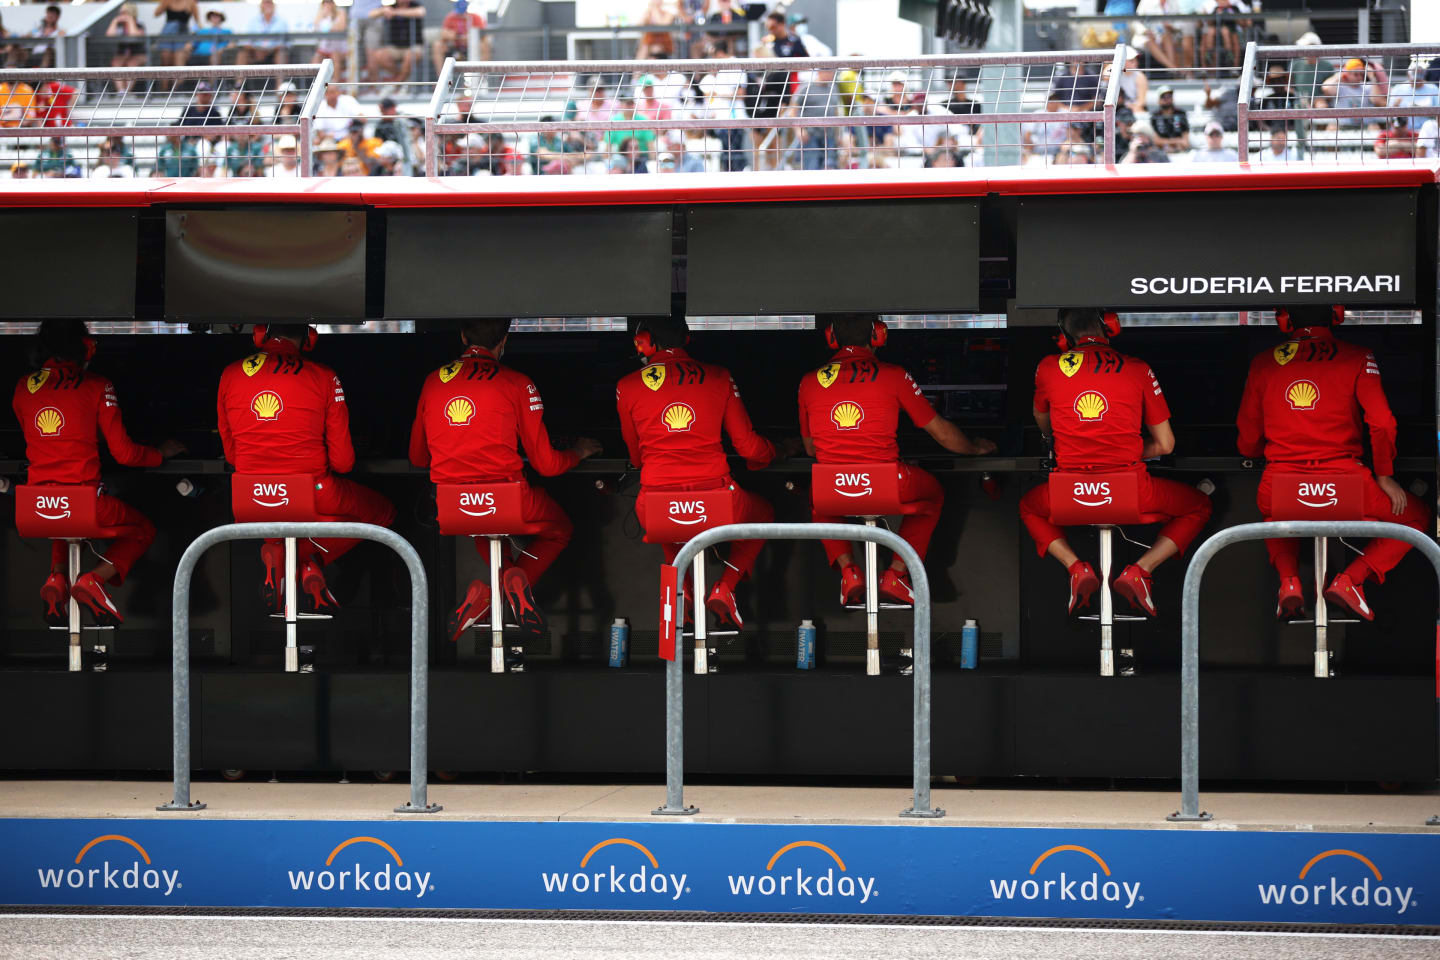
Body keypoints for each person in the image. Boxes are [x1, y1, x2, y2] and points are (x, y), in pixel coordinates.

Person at [410, 319, 601, 641]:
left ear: (462, 335)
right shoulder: (517, 382)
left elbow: (418, 458)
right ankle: (499, 593)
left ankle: (491, 596)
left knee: (480, 521)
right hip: (509, 500)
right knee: (559, 530)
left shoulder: (433, 381)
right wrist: (578, 452)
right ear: (504, 342)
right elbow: (548, 464)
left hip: (453, 505)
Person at [1236, 305, 1430, 621]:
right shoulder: (1358, 356)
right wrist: (1384, 474)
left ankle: (1288, 582)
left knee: (1275, 514)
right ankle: (1351, 580)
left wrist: (1261, 450)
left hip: (1281, 484)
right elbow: (1382, 423)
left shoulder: (1263, 362)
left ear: (1283, 319)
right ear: (1337, 316)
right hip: (1347, 485)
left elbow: (1247, 440)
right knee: (1416, 517)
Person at [1020, 309, 1211, 616]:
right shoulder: (1138, 368)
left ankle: (1077, 569)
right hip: (1131, 494)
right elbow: (1166, 443)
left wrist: (1055, 442)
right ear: (1111, 328)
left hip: (1070, 495)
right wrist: (1127, 451)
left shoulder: (1048, 367)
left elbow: (1041, 417)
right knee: (1198, 506)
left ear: (1064, 338)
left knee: (1029, 507)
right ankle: (1141, 570)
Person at [799, 314, 995, 606]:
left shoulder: (808, 381)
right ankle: (896, 576)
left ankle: (849, 572)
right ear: (878, 335)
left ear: (831, 337)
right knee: (934, 496)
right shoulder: (894, 375)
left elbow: (812, 449)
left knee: (820, 500)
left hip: (835, 488)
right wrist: (974, 448)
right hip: (887, 486)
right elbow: (941, 434)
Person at [12, 320, 184, 627]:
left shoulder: (23, 386)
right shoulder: (97, 385)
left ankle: (57, 577)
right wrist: (161, 454)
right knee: (143, 530)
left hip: (33, 507)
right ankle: (93, 579)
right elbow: (126, 454)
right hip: (86, 505)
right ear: (85, 347)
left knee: (59, 513)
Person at [217, 324, 397, 613]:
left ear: (259, 333)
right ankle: (308, 561)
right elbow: (343, 462)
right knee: (384, 512)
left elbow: (232, 454)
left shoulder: (230, 373)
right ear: (309, 337)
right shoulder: (325, 376)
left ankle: (283, 557)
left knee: (276, 527)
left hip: (252, 496)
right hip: (315, 493)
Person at [616, 316, 779, 630]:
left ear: (645, 342)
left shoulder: (627, 385)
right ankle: (725, 587)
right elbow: (749, 448)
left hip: (656, 507)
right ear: (687, 340)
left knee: (665, 521)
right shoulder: (719, 376)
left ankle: (683, 592)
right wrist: (777, 452)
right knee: (765, 513)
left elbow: (635, 456)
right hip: (718, 504)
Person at [433, 0, 489, 69]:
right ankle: (442, 77)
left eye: (462, 12)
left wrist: (469, 38)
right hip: (455, 46)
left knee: (484, 45)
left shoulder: (475, 17)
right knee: (437, 45)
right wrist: (454, 36)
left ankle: (481, 75)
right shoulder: (451, 17)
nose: (460, 15)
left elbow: (483, 34)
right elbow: (443, 33)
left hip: (471, 47)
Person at [105, 4, 146, 87]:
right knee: (116, 63)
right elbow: (109, 34)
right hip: (122, 54)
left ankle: (127, 92)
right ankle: (121, 92)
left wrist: (130, 21)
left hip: (138, 54)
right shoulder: (119, 26)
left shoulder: (139, 25)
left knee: (132, 64)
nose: (122, 15)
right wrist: (115, 21)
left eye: (125, 12)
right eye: (121, 13)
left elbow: (134, 34)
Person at [237, 0, 288, 66]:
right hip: (255, 52)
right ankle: (238, 76)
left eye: (269, 3)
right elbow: (246, 41)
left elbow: (285, 43)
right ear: (261, 6)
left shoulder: (282, 22)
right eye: (265, 3)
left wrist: (269, 50)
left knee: (281, 54)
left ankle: (281, 76)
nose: (267, 5)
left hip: (274, 52)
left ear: (274, 6)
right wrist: (257, 49)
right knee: (242, 54)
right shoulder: (253, 21)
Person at [152, 0, 195, 71]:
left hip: (182, 35)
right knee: (165, 63)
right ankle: (165, 82)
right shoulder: (167, 1)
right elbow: (156, 14)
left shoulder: (191, 2)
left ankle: (178, 82)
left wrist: (190, 41)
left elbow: (197, 24)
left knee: (179, 64)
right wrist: (164, 4)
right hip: (167, 34)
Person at [1149, 85, 1191, 152]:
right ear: (1159, 100)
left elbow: (1185, 141)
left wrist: (1167, 142)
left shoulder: (1180, 114)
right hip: (1161, 152)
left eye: (1169, 96)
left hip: (1180, 150)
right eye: (1163, 97)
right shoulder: (1155, 116)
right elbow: (1156, 141)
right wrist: (1176, 141)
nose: (1167, 99)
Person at [313, 0, 348, 74]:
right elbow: (316, 27)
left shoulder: (341, 12)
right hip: (325, 48)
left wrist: (330, 17)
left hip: (339, 48)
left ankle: (334, 84)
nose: (328, 4)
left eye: (329, 2)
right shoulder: (321, 13)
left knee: (335, 57)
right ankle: (317, 83)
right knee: (316, 59)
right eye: (325, 2)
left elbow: (341, 27)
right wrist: (324, 15)